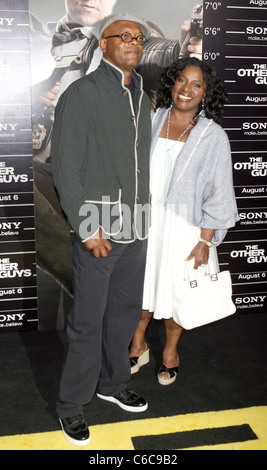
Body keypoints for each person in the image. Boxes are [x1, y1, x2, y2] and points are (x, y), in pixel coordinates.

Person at [30, 0, 203, 294]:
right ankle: (98, 285)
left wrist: (187, 51)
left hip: (113, 180)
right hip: (52, 171)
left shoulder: (132, 35)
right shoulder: (34, 38)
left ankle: (101, 286)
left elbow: (160, 53)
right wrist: (26, 98)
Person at [51, 13, 152, 446]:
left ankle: (111, 385)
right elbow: (65, 168)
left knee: (123, 317)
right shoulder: (81, 93)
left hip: (137, 228)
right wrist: (86, 228)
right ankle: (71, 405)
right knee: (88, 322)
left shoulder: (144, 96)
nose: (133, 42)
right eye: (123, 36)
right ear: (104, 45)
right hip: (99, 232)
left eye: (139, 38)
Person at [129, 57, 239, 386]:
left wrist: (205, 242)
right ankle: (138, 343)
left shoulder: (213, 136)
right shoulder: (149, 120)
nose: (186, 90)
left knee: (178, 292)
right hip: (146, 223)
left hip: (186, 229)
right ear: (171, 83)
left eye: (196, 85)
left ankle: (170, 352)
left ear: (206, 93)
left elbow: (220, 194)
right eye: (181, 81)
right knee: (142, 289)